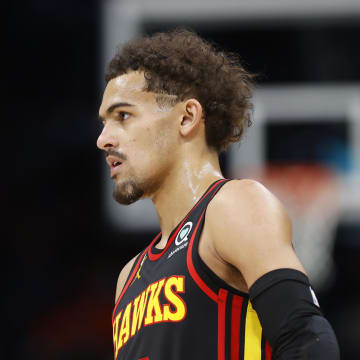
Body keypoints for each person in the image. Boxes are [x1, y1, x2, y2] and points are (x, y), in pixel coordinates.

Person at [97, 29, 340, 360]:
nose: (104, 139)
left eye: (123, 116)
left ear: (187, 117)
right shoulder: (128, 278)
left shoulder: (234, 205)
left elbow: (307, 340)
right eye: (104, 122)